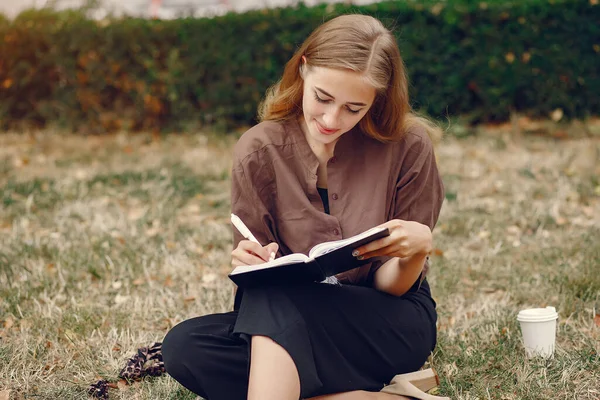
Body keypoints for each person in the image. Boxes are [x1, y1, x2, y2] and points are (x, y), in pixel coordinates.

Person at [162, 14, 446, 400]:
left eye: (354, 108)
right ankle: (369, 396)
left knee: (275, 299)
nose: (332, 119)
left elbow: (391, 285)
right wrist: (250, 261)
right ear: (303, 69)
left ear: (376, 100)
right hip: (294, 316)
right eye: (323, 98)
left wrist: (417, 251)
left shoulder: (408, 145)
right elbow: (258, 284)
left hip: (387, 319)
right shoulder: (259, 150)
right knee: (187, 346)